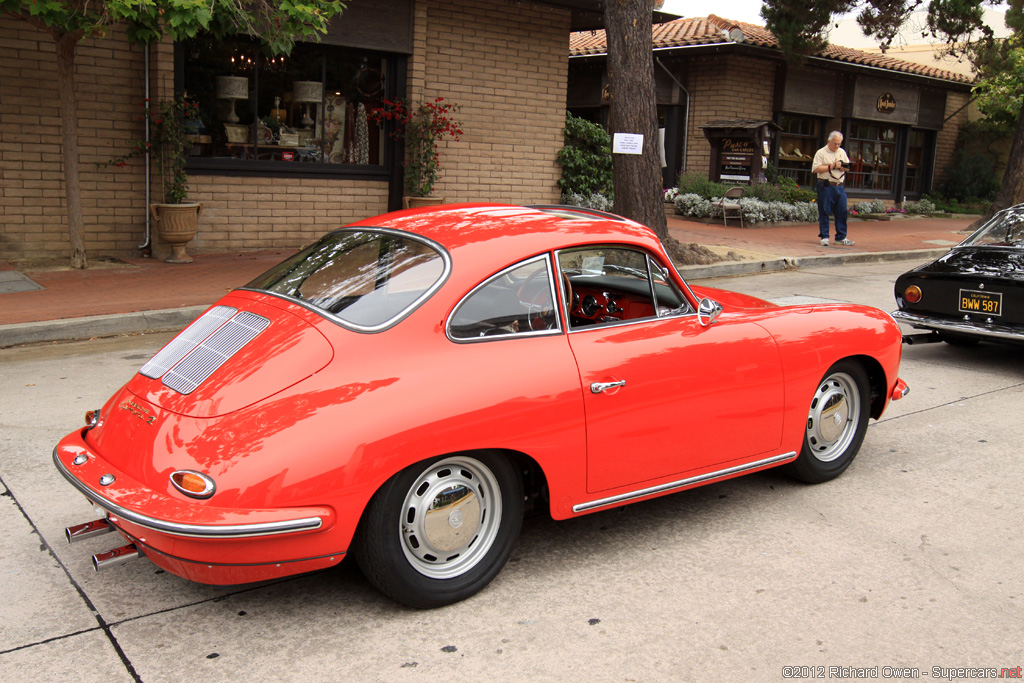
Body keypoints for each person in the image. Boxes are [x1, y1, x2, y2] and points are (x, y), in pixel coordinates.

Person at [812, 131, 854, 246]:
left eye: (839, 144)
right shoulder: (821, 153)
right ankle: (824, 236)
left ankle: (841, 237)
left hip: (839, 185)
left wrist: (843, 168)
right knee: (824, 210)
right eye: (835, 143)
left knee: (842, 211)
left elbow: (848, 167)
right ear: (828, 141)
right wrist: (832, 166)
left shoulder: (842, 152)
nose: (837, 146)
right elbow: (815, 169)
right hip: (826, 185)